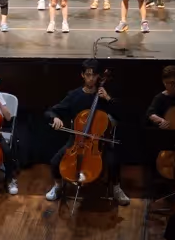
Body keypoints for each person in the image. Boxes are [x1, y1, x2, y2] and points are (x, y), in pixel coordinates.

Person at [44, 60, 130, 206]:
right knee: (54, 161)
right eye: (88, 75)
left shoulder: (104, 95)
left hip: (98, 141)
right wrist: (55, 118)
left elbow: (122, 115)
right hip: (77, 140)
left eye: (94, 75)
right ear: (82, 75)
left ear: (98, 77)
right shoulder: (74, 95)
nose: (91, 78)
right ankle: (58, 186)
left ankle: (116, 188)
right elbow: (50, 111)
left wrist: (108, 99)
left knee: (113, 161)